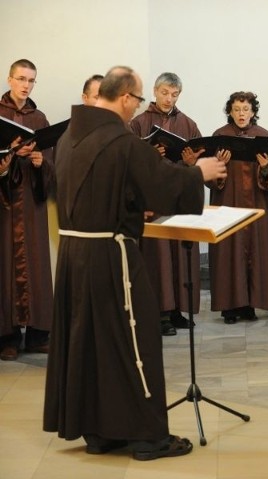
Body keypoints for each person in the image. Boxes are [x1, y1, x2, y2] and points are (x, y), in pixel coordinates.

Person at [43, 66, 227, 460]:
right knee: (135, 341)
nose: (137, 107)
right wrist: (199, 173)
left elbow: (81, 191)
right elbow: (162, 183)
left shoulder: (67, 136)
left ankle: (101, 431)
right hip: (113, 257)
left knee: (94, 344)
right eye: (139, 99)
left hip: (76, 256)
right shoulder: (119, 141)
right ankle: (147, 437)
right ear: (126, 97)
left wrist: (125, 204)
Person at [130, 72, 203, 336]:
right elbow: (128, 161)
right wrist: (149, 154)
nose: (168, 98)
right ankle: (159, 313)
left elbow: (198, 154)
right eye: (164, 92)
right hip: (154, 199)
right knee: (157, 257)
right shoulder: (139, 123)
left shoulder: (188, 123)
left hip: (180, 198)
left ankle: (177, 310)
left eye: (174, 94)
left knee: (180, 253)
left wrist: (191, 161)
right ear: (155, 91)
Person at [208, 91, 268, 324]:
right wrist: (220, 164)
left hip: (256, 204)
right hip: (228, 202)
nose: (241, 114)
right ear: (230, 111)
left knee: (255, 252)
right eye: (237, 109)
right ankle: (230, 307)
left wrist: (266, 166)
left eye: (245, 109)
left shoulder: (263, 136)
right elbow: (211, 175)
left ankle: (249, 305)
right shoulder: (220, 136)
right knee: (230, 252)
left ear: (253, 112)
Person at [0, 59, 54, 361]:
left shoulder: (40, 117)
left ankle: (37, 334)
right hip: (5, 205)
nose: (26, 85)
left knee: (34, 265)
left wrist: (39, 162)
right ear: (9, 79)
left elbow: (50, 161)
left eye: (31, 80)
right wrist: (5, 164)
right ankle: (7, 337)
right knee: (6, 266)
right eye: (21, 79)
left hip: (32, 206)